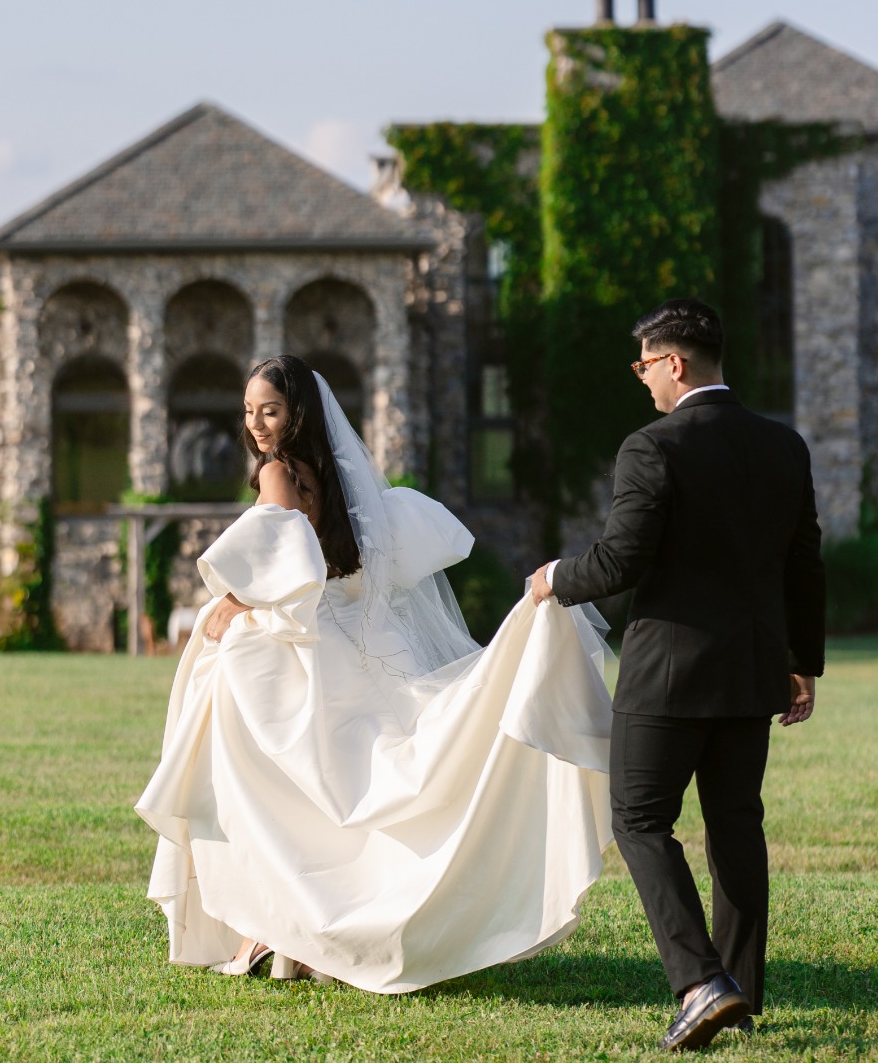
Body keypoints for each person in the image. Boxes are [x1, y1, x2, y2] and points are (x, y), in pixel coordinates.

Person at [136, 354, 613, 991]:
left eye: (269, 410)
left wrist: (232, 598)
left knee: (265, 799)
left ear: (296, 412)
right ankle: (287, 933)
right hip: (356, 641)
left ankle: (282, 931)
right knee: (333, 799)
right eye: (248, 411)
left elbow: (282, 560)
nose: (255, 424)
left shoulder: (278, 474)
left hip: (296, 650)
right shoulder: (339, 479)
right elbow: (341, 563)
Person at [531, 298, 825, 1052]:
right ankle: (741, 990)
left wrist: (553, 578)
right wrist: (802, 662)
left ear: (673, 362)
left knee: (637, 818)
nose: (644, 385)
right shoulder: (784, 446)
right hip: (755, 671)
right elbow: (804, 562)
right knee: (736, 826)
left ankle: (699, 983)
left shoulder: (651, 447)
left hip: (668, 677)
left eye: (644, 368)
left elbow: (620, 561)